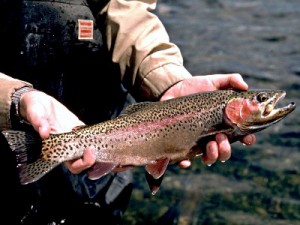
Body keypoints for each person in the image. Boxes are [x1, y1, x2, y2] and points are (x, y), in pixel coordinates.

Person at [0, 0, 255, 224]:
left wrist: (166, 78)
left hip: (96, 138)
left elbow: (124, 9)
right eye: (259, 99)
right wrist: (12, 97)